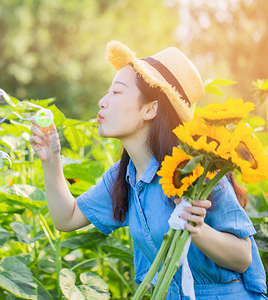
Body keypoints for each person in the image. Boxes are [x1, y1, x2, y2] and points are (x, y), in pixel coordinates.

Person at [29, 40, 267, 299]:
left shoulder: (198, 170)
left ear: (151, 108)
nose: (102, 101)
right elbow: (68, 218)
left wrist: (197, 230)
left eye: (117, 93)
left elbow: (243, 257)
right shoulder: (123, 175)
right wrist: (51, 159)